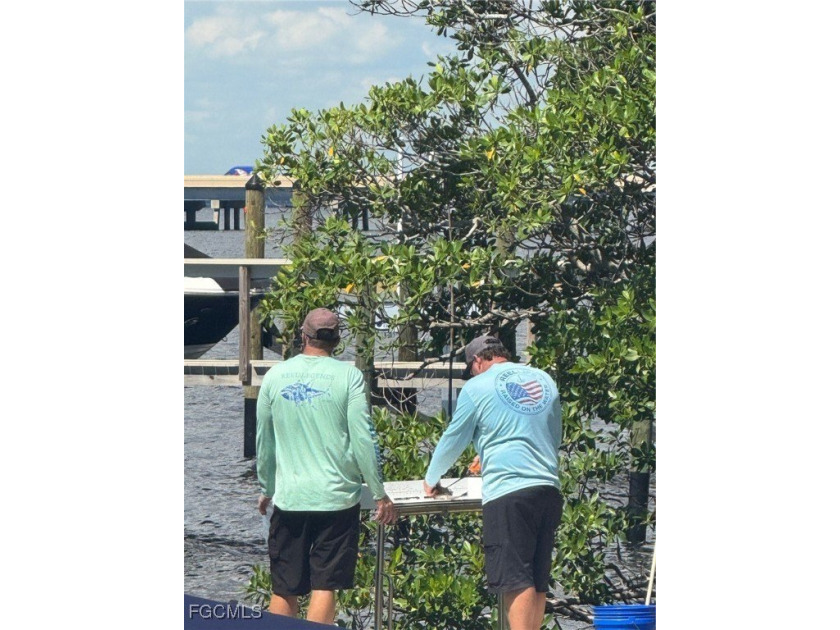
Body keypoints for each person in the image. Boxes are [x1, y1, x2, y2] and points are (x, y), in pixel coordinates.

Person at [256, 307, 397, 623]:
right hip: (336, 500)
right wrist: (379, 493)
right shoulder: (349, 376)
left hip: (290, 498)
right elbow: (364, 438)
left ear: (302, 336)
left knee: (284, 587)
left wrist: (267, 488)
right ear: (337, 341)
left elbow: (264, 441)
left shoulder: (274, 376)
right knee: (324, 585)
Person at [423, 334, 563, 630]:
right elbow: (553, 435)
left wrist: (431, 479)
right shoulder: (544, 379)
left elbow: (454, 438)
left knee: (516, 578)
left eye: (471, 370)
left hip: (509, 492)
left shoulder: (477, 386)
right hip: (548, 488)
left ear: (477, 361)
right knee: (538, 580)